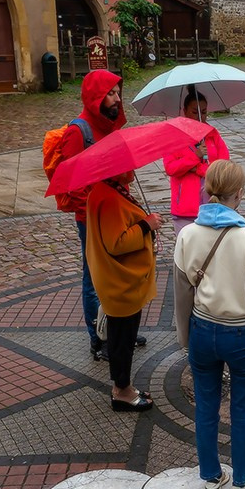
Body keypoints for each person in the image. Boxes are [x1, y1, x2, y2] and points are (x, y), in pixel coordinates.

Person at [174, 160, 245, 489]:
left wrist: (184, 338)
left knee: (205, 406)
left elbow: (181, 295)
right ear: (240, 194)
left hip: (203, 331)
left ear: (207, 191)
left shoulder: (187, 235)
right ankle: (239, 482)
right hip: (243, 337)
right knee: (242, 409)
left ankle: (210, 477)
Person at [55, 69, 128, 361]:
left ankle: (120, 331)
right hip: (91, 218)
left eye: (118, 92)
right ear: (96, 96)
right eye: (110, 93)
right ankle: (98, 337)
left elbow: (122, 174)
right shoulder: (79, 131)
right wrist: (93, 216)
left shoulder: (112, 126)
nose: (117, 98)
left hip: (115, 212)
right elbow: (72, 185)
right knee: (95, 277)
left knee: (118, 275)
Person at [85, 171, 162, 412]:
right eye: (130, 167)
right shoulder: (109, 198)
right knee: (122, 339)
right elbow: (116, 243)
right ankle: (122, 391)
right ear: (116, 169)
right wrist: (146, 224)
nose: (135, 171)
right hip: (120, 282)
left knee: (123, 336)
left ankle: (123, 387)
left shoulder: (109, 191)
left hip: (119, 279)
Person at [163, 88, 230, 235]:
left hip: (212, 206)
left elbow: (223, 168)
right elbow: (170, 168)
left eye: (204, 112)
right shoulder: (174, 137)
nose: (200, 117)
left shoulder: (212, 135)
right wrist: (195, 157)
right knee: (186, 253)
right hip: (185, 209)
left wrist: (197, 169)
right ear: (185, 111)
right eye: (195, 112)